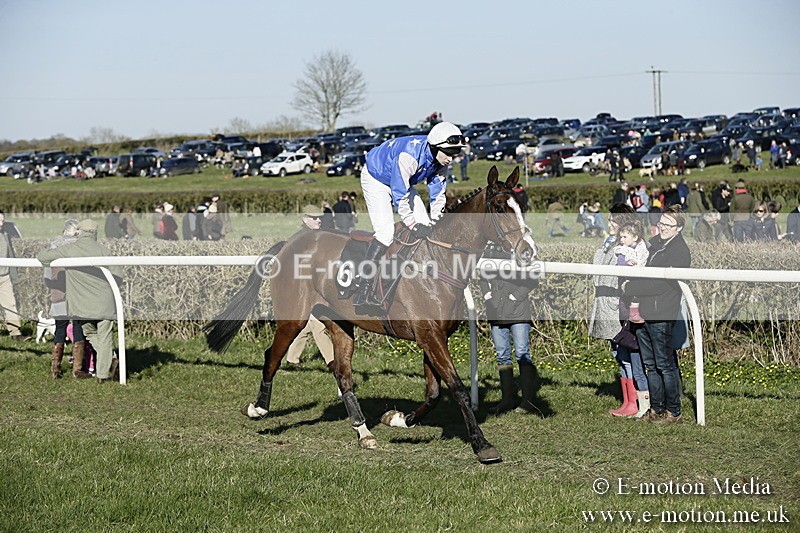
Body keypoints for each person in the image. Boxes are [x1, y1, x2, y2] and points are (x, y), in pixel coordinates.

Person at [355, 122, 464, 307]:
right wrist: (412, 225)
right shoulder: (409, 157)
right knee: (385, 234)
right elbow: (400, 196)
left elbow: (438, 197)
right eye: (448, 152)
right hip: (376, 178)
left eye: (455, 153)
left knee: (427, 225)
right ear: (435, 147)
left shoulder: (441, 161)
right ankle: (363, 285)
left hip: (398, 180)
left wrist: (436, 221)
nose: (451, 158)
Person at [621, 205, 692, 424]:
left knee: (664, 364)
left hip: (661, 312)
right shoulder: (654, 245)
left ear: (678, 228)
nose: (662, 228)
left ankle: (674, 412)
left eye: (668, 225)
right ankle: (656, 408)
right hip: (644, 310)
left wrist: (629, 288)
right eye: (661, 223)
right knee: (650, 365)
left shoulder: (680, 251)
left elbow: (660, 284)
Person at [37, 219, 123, 383]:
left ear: (80, 232)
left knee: (90, 332)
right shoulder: (105, 251)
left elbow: (43, 257)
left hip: (81, 305)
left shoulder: (70, 249)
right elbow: (118, 277)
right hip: (105, 303)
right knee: (104, 336)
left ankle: (108, 361)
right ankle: (102, 374)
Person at [589, 205, 650, 419]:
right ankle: (627, 400)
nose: (609, 224)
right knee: (619, 355)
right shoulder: (612, 244)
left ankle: (634, 402)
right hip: (608, 304)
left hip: (619, 306)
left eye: (613, 221)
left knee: (626, 355)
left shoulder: (630, 247)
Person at [479, 263, 540, 414]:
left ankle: (527, 401)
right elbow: (482, 277)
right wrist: (488, 296)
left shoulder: (521, 252)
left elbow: (533, 279)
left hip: (519, 313)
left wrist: (514, 298)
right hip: (496, 313)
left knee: (522, 353)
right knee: (502, 356)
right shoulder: (491, 252)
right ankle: (507, 400)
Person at [42, 219, 84, 378]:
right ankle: (77, 370)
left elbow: (47, 278)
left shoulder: (52, 248)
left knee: (60, 331)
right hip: (77, 296)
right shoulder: (80, 248)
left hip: (59, 295)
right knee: (78, 329)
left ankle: (55, 370)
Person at [0, 211, 28, 341]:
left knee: (10, 304)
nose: (2, 224)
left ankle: (15, 333)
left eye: (3, 221)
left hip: (4, 276)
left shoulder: (5, 233)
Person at [614, 223, 649, 324]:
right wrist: (626, 263)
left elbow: (644, 260)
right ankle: (632, 315)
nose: (621, 240)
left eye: (625, 237)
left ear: (635, 237)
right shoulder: (622, 250)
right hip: (627, 279)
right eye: (621, 237)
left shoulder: (642, 248)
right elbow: (620, 262)